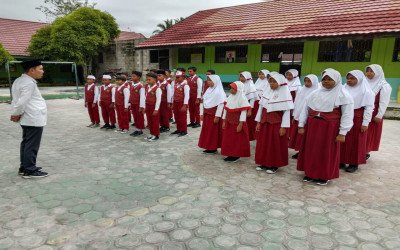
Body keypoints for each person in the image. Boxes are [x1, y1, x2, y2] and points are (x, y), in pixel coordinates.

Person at [297, 69, 354, 186]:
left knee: (326, 152)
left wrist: (342, 132)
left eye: (330, 79)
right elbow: (305, 110)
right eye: (324, 79)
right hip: (313, 126)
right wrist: (301, 125)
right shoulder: (314, 93)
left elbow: (347, 115)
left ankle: (324, 175)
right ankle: (310, 173)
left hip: (330, 128)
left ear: (337, 80)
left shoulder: (344, 96)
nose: (326, 82)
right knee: (311, 150)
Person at [10, 59, 48, 178]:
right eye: (40, 69)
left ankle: (24, 167)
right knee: (31, 144)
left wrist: (16, 113)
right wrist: (16, 113)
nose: (42, 71)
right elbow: (21, 102)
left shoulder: (19, 80)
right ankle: (30, 170)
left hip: (27, 118)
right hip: (33, 118)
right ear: (32, 70)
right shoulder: (29, 83)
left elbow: (16, 100)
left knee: (26, 143)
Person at [255, 73, 293, 174]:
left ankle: (274, 164)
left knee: (274, 145)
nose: (271, 84)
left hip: (276, 124)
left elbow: (286, 112)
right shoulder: (267, 92)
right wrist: (258, 121)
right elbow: (261, 108)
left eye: (274, 82)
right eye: (270, 81)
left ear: (280, 82)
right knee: (263, 143)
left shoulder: (284, 93)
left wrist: (283, 127)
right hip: (265, 122)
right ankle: (263, 162)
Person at [340, 70, 374, 173]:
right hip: (344, 116)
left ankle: (353, 163)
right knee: (343, 139)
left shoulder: (366, 91)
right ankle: (341, 160)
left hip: (357, 118)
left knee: (355, 141)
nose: (349, 80)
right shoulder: (343, 88)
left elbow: (369, 108)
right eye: (348, 78)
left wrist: (365, 123)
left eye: (352, 78)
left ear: (359, 79)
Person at [365, 64, 392, 160]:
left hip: (374, 112)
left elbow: (384, 102)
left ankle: (366, 151)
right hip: (363, 109)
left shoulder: (384, 86)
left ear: (378, 73)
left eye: (371, 71)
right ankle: (359, 149)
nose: (368, 73)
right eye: (367, 71)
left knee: (369, 132)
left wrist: (379, 114)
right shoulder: (364, 82)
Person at [289, 74, 319, 159]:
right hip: (299, 115)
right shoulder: (302, 90)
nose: (306, 83)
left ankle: (306, 152)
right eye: (305, 81)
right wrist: (294, 114)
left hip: (308, 117)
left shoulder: (316, 92)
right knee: (299, 136)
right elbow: (297, 102)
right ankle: (300, 151)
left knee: (306, 136)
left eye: (309, 81)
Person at [221, 81, 251, 162]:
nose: (231, 90)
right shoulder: (230, 97)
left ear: (238, 89)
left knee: (236, 140)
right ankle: (229, 154)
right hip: (229, 122)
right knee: (228, 139)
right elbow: (225, 110)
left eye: (233, 89)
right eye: (231, 88)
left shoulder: (242, 99)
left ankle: (236, 155)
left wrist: (241, 124)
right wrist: (224, 121)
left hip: (237, 123)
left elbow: (243, 113)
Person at [198, 75, 226, 154]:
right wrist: (202, 113)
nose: (208, 82)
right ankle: (208, 146)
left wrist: (217, 116)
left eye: (210, 80)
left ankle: (213, 148)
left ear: (216, 81)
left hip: (214, 115)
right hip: (207, 114)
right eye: (208, 80)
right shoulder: (208, 90)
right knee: (207, 131)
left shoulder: (219, 91)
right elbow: (204, 102)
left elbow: (221, 104)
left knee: (213, 132)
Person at [239, 71, 259, 141]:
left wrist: (250, 110)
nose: (241, 78)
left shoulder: (251, 86)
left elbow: (252, 99)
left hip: (249, 106)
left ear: (247, 77)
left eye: (243, 77)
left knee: (248, 122)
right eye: (240, 77)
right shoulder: (241, 84)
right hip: (242, 105)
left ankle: (249, 136)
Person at [171, 71, 190, 137]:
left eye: (178, 78)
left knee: (182, 117)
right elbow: (173, 94)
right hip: (176, 102)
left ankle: (184, 130)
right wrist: (173, 102)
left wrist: (184, 105)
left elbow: (187, 96)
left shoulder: (185, 86)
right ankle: (178, 129)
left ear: (183, 77)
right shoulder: (175, 85)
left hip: (182, 103)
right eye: (176, 78)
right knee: (176, 116)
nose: (177, 79)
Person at [145, 73, 162, 141]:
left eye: (149, 80)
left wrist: (156, 109)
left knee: (155, 121)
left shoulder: (157, 89)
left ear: (155, 80)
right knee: (149, 121)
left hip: (153, 106)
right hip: (148, 105)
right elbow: (146, 97)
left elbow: (158, 100)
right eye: (147, 80)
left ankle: (156, 134)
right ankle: (151, 133)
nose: (148, 81)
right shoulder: (148, 87)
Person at [129, 71, 145, 137]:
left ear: (138, 77)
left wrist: (141, 106)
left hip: (138, 104)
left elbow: (142, 97)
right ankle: (137, 128)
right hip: (133, 103)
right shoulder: (132, 85)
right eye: (132, 76)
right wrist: (129, 103)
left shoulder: (140, 86)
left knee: (139, 117)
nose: (132, 77)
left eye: (134, 76)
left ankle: (140, 129)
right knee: (135, 116)